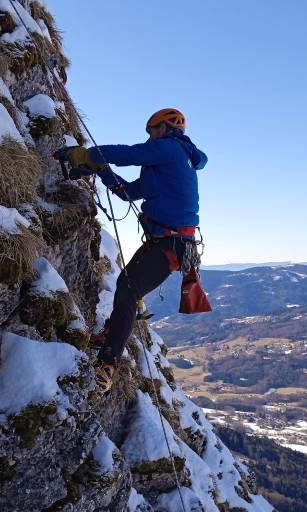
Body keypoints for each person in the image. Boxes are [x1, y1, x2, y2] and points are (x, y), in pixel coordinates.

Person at [59, 108, 208, 391]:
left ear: (166, 128)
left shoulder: (172, 148)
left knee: (128, 290)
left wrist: (88, 155)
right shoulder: (164, 168)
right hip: (166, 243)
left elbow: (129, 154)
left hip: (170, 243)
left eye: (152, 130)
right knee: (125, 285)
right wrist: (102, 170)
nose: (150, 136)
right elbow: (128, 193)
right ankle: (111, 333)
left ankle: (107, 364)